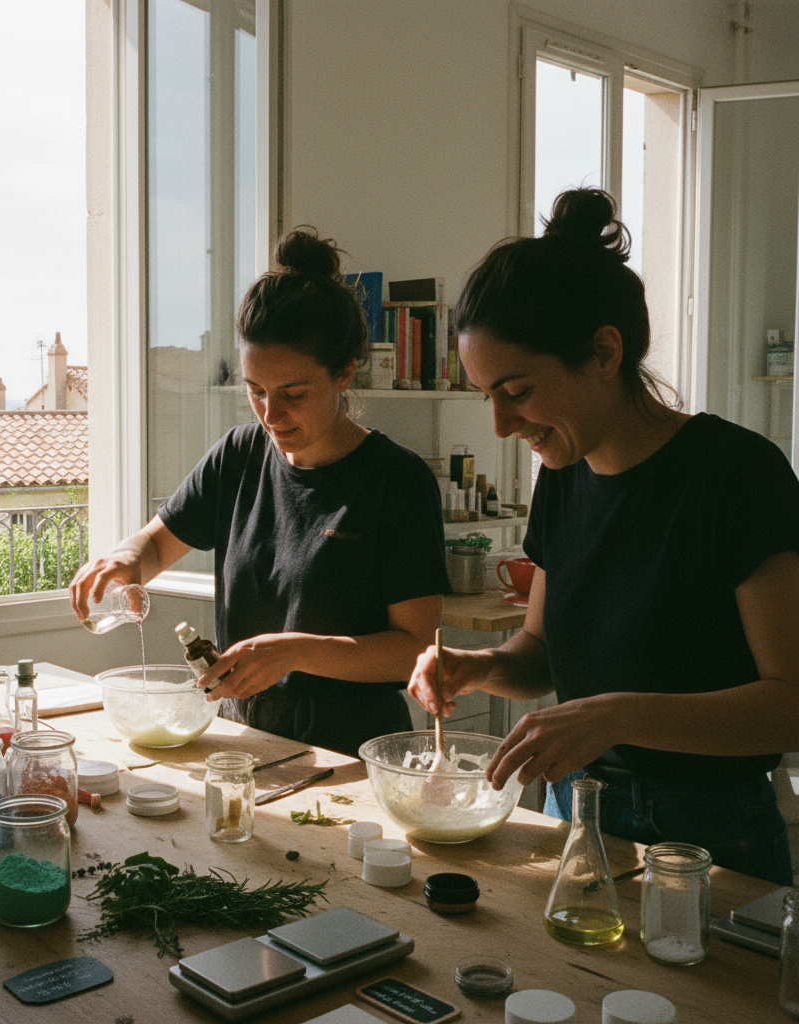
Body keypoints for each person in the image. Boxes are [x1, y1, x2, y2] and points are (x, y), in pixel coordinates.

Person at [408, 188, 799, 884]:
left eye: (517, 390)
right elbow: (543, 653)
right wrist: (482, 666)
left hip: (710, 836)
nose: (499, 425)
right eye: (485, 396)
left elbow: (789, 704)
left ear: (604, 352)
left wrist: (615, 717)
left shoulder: (735, 474)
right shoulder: (564, 476)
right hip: (577, 813)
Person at [71, 226, 450, 757]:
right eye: (256, 391)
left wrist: (293, 652)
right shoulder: (239, 456)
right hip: (243, 738)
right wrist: (125, 560)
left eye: (294, 394)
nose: (272, 415)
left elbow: (413, 650)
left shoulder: (396, 481)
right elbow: (158, 544)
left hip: (351, 752)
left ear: (344, 373)